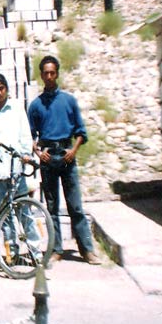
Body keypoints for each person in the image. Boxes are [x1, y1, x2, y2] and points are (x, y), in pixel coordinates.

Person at [27, 55, 101, 265]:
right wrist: (38, 152)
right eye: (45, 73)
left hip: (67, 156)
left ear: (57, 73)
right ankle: (56, 249)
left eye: (52, 72)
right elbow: (30, 136)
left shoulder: (69, 100)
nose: (49, 76)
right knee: (51, 206)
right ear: (41, 75)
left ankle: (87, 250)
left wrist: (73, 150)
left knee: (75, 205)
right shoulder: (35, 105)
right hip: (48, 158)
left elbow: (81, 132)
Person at [0, 73, 41, 256]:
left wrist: (25, 155)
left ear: (6, 89)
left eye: (1, 88)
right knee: (4, 216)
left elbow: (25, 135)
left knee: (24, 212)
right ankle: (11, 252)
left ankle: (35, 252)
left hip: (15, 169)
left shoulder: (16, 109)